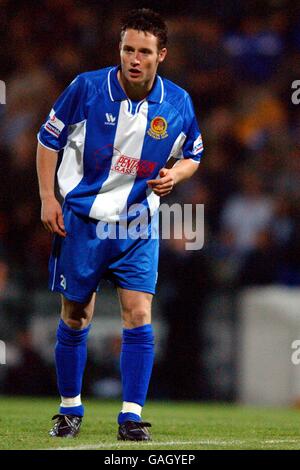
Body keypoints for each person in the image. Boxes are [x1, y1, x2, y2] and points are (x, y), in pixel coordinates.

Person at [36, 8, 204, 441]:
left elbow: (194, 154)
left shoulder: (177, 102)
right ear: (120, 49)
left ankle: (130, 417)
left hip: (137, 225)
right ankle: (70, 409)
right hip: (84, 221)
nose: (134, 58)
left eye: (144, 51)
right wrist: (47, 197)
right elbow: (47, 139)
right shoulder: (87, 88)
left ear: (160, 55)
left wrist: (175, 175)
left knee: (139, 313)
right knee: (75, 315)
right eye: (128, 48)